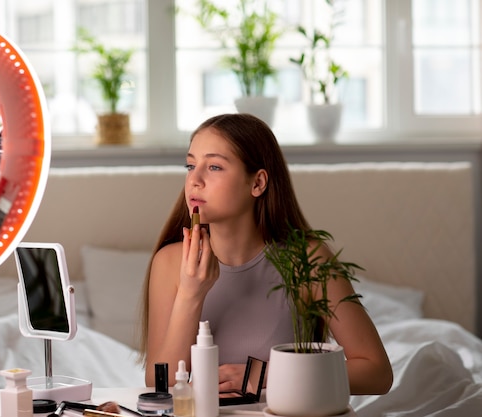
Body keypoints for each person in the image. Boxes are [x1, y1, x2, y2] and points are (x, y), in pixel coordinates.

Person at [139, 113, 393, 396]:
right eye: (190, 165)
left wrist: (264, 374)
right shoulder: (170, 262)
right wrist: (190, 293)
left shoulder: (307, 260)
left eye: (214, 166)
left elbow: (377, 373)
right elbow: (158, 383)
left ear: (258, 183)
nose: (194, 180)